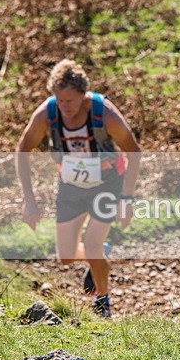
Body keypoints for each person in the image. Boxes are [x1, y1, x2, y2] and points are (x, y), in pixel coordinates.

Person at [17, 59, 141, 318]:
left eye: (70, 101)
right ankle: (100, 257)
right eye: (59, 101)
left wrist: (127, 199)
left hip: (108, 182)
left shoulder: (104, 114)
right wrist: (28, 200)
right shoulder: (46, 114)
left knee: (92, 244)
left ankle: (102, 301)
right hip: (71, 184)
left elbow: (133, 151)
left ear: (83, 95)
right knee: (66, 256)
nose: (65, 107)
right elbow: (23, 150)